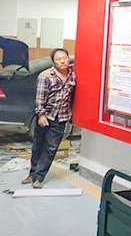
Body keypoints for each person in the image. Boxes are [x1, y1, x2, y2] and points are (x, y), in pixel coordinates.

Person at [22, 48, 75, 189]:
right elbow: (40, 98)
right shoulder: (45, 76)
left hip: (61, 118)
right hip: (46, 116)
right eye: (58, 59)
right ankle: (32, 173)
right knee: (38, 146)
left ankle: (39, 177)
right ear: (53, 62)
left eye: (64, 58)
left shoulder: (72, 76)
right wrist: (41, 115)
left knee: (51, 148)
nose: (62, 61)